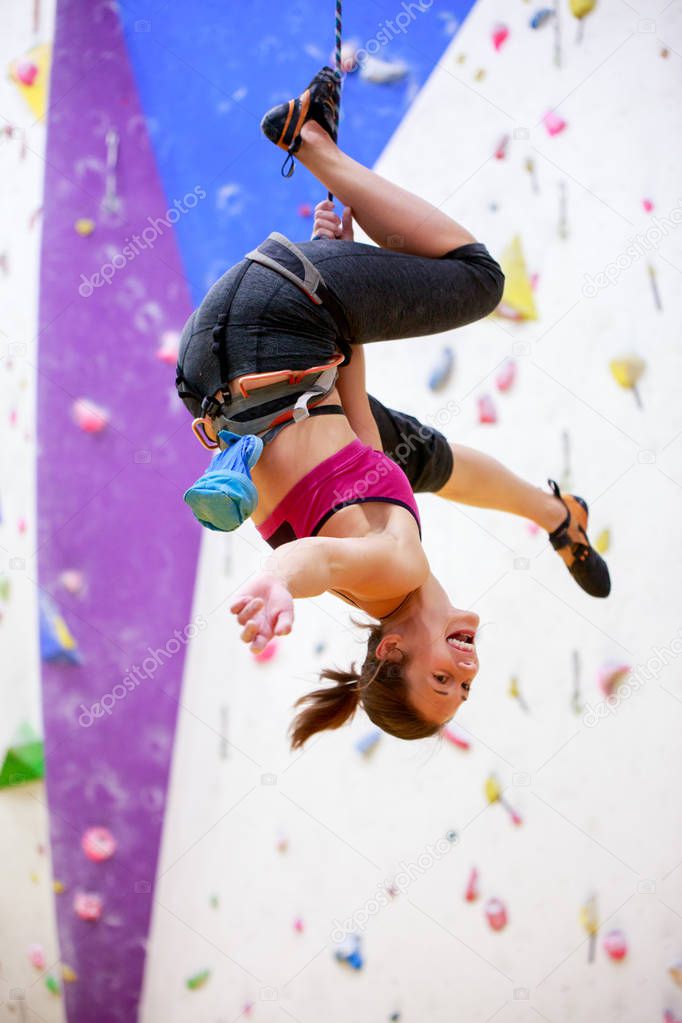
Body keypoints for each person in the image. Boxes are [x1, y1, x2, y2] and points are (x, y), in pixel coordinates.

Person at [175, 68, 610, 749]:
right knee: (410, 452)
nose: (465, 671)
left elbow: (315, 562)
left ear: (389, 650)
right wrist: (339, 261)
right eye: (465, 686)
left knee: (479, 280)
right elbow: (355, 411)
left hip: (273, 325)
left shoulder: (391, 569)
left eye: (441, 681)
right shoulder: (386, 551)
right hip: (207, 359)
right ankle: (558, 515)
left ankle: (310, 140)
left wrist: (277, 582)